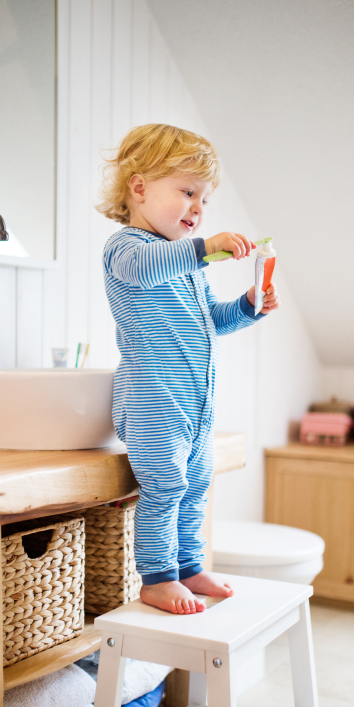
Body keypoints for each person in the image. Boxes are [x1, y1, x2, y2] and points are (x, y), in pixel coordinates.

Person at [96, 124, 280, 614]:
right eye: (187, 192)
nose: (197, 209)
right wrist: (203, 249)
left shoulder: (186, 266)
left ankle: (188, 565)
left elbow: (209, 321)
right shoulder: (128, 250)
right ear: (139, 188)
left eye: (204, 198)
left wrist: (247, 305)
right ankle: (156, 579)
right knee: (165, 488)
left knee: (196, 485)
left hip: (194, 405)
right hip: (153, 402)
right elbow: (149, 268)